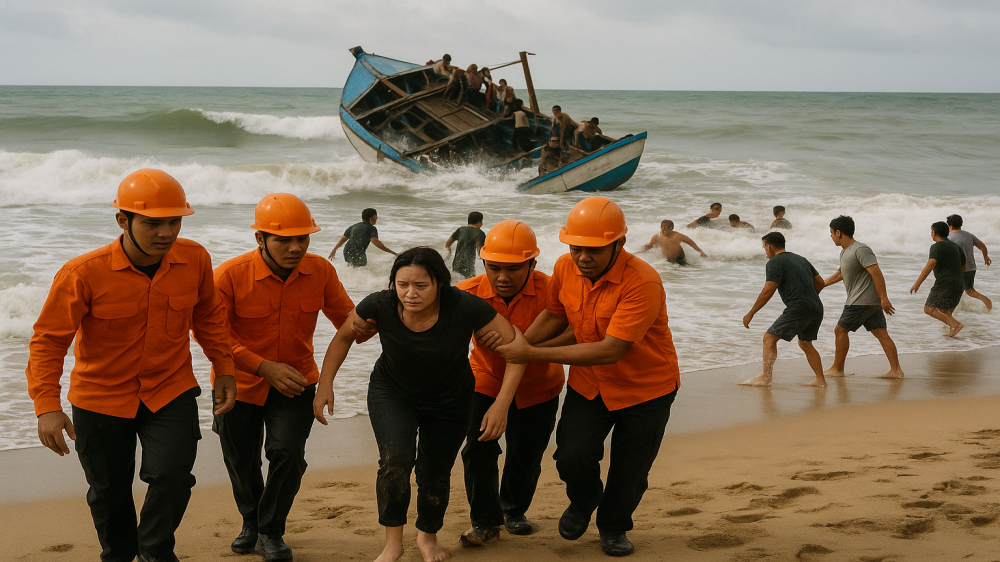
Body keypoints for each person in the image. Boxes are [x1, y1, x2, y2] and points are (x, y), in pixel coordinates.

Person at [25, 169, 238, 562]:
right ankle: (120, 556)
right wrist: (47, 407)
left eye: (174, 221)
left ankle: (155, 551)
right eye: (153, 223)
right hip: (99, 397)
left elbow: (209, 316)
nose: (166, 233)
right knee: (109, 492)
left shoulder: (195, 259)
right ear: (123, 220)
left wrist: (223, 365)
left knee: (173, 475)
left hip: (170, 388)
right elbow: (48, 342)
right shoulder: (82, 273)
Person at [491, 197, 680, 557]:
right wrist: (521, 343)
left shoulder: (642, 281)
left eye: (593, 250)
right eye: (576, 248)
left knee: (630, 468)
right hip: (589, 384)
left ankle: (613, 527)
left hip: (647, 388)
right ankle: (585, 497)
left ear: (619, 244)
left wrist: (531, 354)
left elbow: (611, 350)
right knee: (571, 456)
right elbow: (555, 314)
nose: (582, 257)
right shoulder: (565, 268)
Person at [313, 248, 527, 562]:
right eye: (402, 285)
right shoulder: (380, 304)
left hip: (451, 399)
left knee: (434, 471)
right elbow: (344, 336)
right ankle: (393, 544)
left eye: (421, 286)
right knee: (395, 461)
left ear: (440, 283)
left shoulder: (465, 306)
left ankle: (427, 537)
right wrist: (325, 384)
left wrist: (501, 405)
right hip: (393, 392)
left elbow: (517, 351)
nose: (410, 294)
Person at [213, 194, 356, 561]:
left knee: (288, 454)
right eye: (284, 240)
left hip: (296, 380)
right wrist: (263, 366)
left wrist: (402, 314)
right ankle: (251, 522)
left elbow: (349, 322)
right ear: (260, 239)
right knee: (241, 460)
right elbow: (213, 335)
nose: (296, 248)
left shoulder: (321, 271)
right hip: (237, 383)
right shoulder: (229, 275)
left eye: (303, 239)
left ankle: (270, 530)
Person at [455, 220, 565, 545]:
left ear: (533, 263)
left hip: (539, 384)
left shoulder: (553, 291)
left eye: (514, 269)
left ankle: (513, 510)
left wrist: (526, 346)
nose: (502, 277)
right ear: (483, 261)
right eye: (494, 268)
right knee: (478, 448)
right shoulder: (465, 293)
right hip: (485, 379)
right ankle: (484, 520)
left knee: (525, 454)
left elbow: (579, 332)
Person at [740, 232, 826, 388]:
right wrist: (809, 297)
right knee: (805, 343)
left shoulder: (775, 262)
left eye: (764, 248)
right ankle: (820, 380)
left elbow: (768, 290)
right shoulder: (801, 259)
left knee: (769, 338)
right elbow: (820, 283)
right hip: (816, 306)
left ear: (769, 247)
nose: (765, 251)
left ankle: (765, 377)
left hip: (799, 307)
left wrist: (751, 313)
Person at [822, 216, 904, 379]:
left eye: (831, 233)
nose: (830, 236)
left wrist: (884, 299)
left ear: (838, 232)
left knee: (840, 330)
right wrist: (819, 285)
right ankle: (896, 370)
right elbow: (839, 275)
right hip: (868, 302)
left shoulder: (861, 249)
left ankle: (837, 368)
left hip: (860, 301)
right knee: (881, 333)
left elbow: (876, 273)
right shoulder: (845, 252)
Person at [910, 221, 967, 337]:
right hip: (959, 283)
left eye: (931, 231)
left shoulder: (936, 246)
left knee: (929, 308)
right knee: (945, 311)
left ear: (934, 232)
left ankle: (955, 325)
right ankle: (952, 333)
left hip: (945, 283)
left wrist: (917, 283)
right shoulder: (956, 247)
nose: (931, 233)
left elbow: (930, 265)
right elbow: (964, 267)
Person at [947, 214, 992, 311]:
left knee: (954, 290)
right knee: (969, 290)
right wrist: (985, 257)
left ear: (950, 226)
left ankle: (949, 311)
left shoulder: (949, 238)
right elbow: (982, 246)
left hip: (957, 269)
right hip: (971, 268)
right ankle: (986, 302)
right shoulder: (969, 235)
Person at [329, 208, 397, 267]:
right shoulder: (371, 228)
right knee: (361, 268)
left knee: (352, 268)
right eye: (376, 216)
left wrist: (333, 251)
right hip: (358, 252)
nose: (377, 218)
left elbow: (342, 240)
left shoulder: (353, 226)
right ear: (373, 217)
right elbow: (375, 241)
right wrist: (392, 252)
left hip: (347, 251)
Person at [640, 220, 707, 265]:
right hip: (668, 259)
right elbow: (650, 246)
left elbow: (691, 243)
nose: (664, 232)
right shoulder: (657, 237)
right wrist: (641, 251)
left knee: (685, 269)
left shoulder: (678, 236)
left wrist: (701, 252)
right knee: (670, 270)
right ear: (660, 227)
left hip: (680, 258)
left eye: (666, 230)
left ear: (672, 228)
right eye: (663, 230)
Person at [445, 212, 487, 279]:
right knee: (470, 281)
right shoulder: (480, 233)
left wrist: (449, 252)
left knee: (457, 280)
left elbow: (448, 244)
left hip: (456, 263)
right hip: (468, 265)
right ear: (480, 222)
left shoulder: (460, 229)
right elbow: (479, 248)